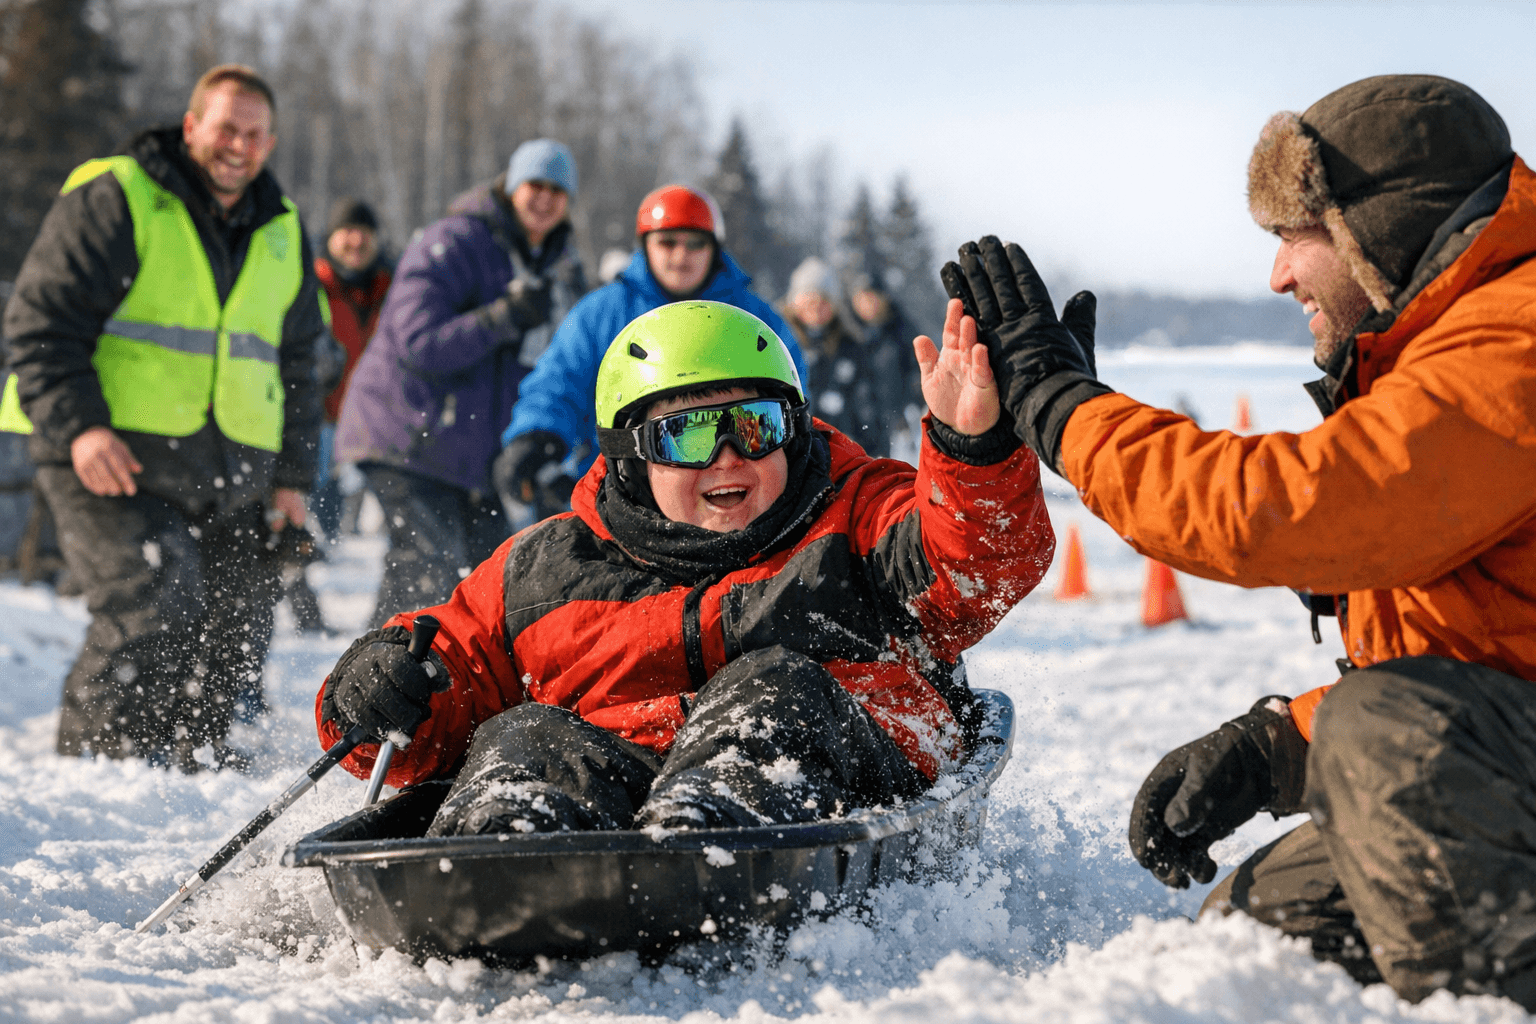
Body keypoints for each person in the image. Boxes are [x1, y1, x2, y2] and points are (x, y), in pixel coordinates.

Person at [940, 75, 1536, 1007]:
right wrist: (1279, 745)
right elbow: (1489, 652)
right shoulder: (1452, 347)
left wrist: (1068, 413)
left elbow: (1293, 509)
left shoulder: (1517, 342)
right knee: (1261, 935)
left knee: (1377, 733)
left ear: (1382, 229)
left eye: (1297, 236)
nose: (1279, 276)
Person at [313, 300, 1054, 837]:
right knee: (526, 733)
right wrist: (381, 684)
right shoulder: (548, 569)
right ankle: (505, 849)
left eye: (756, 426)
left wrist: (975, 450)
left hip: (836, 771)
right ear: (632, 457)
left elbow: (976, 564)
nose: (728, 456)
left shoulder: (857, 514)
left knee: (773, 686)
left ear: (793, 431)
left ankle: (709, 832)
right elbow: (456, 655)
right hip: (615, 787)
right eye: (688, 435)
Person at [0, 64, 326, 770]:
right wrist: (82, 428)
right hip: (107, 451)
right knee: (152, 600)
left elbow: (301, 362)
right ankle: (103, 772)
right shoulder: (120, 195)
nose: (238, 146)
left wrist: (293, 479)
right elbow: (39, 320)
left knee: (237, 616)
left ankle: (192, 770)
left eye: (254, 134)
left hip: (228, 466)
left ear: (271, 144)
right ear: (191, 127)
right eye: (225, 128)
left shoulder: (281, 228)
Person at [335, 139, 587, 627]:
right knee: (428, 572)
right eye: (534, 185)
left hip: (468, 451)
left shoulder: (553, 263)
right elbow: (417, 342)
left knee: (491, 580)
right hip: (406, 430)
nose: (544, 198)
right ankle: (388, 668)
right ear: (511, 186)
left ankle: (404, 658)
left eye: (557, 190)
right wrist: (503, 317)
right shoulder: (455, 241)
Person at [495, 184, 807, 522]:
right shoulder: (603, 312)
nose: (681, 256)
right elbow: (560, 379)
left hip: (736, 488)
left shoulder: (753, 319)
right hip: (620, 494)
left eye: (695, 243)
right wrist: (537, 433)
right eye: (667, 242)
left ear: (714, 249)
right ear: (645, 245)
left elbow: (792, 393)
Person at [312, 197, 392, 539]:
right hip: (320, 418)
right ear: (331, 237)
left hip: (373, 422)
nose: (357, 241)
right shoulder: (311, 283)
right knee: (319, 512)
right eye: (347, 231)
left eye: (365, 232)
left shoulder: (390, 287)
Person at [780, 257, 890, 457]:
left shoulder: (851, 347)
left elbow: (870, 407)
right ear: (795, 302)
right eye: (809, 299)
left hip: (842, 452)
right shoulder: (777, 342)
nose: (816, 307)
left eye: (823, 300)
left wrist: (874, 453)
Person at [846, 269, 926, 458]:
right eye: (861, 299)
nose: (867, 305)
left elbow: (919, 373)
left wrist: (909, 409)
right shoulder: (850, 336)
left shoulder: (904, 331)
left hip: (903, 429)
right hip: (863, 433)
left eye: (872, 297)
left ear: (884, 297)